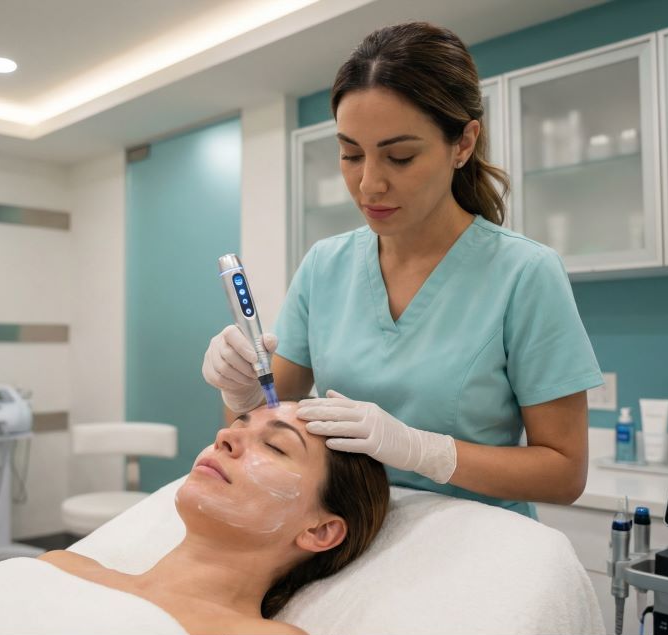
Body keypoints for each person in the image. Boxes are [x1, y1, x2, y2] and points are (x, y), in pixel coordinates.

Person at [201, 22, 603, 519]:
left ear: (462, 143)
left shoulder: (524, 272)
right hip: (345, 537)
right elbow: (261, 419)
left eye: (400, 156)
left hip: (469, 543)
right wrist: (239, 390)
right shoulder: (326, 266)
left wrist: (425, 451)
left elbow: (565, 474)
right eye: (350, 154)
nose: (369, 184)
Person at [0, 401, 389, 635]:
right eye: (239, 425)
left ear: (319, 530)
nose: (226, 435)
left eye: (274, 447)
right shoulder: (63, 566)